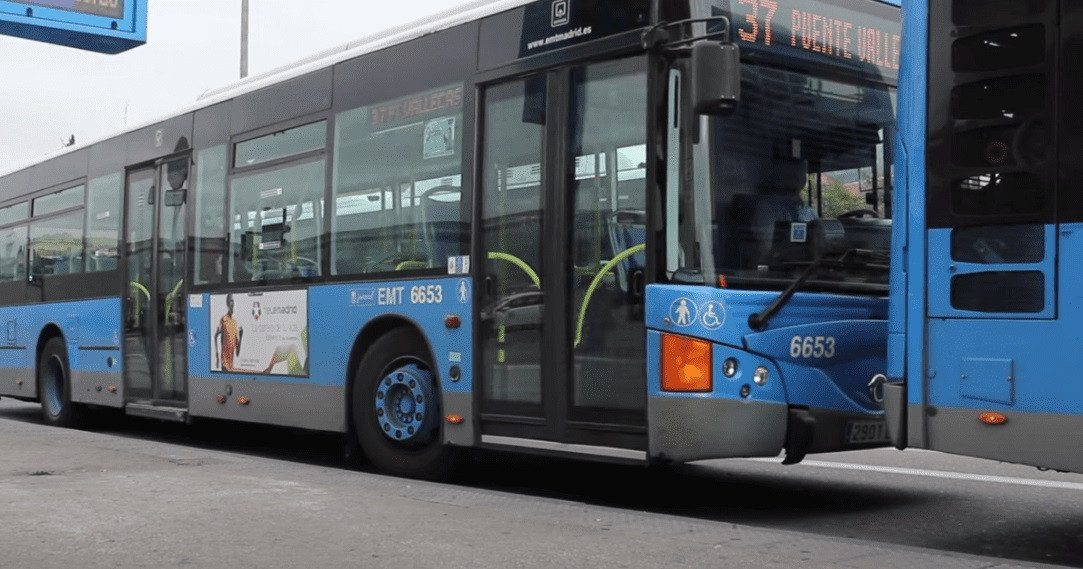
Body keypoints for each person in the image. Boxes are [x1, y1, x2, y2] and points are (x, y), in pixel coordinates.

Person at [747, 158, 815, 265]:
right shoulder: (767, 208)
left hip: (807, 271)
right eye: (792, 174)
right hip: (775, 273)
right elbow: (769, 251)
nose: (800, 178)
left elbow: (820, 249)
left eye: (802, 173)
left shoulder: (810, 212)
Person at [213, 293, 243, 371]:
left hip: (231, 366)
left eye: (233, 301)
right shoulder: (223, 319)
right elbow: (216, 335)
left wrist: (241, 336)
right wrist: (216, 354)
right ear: (227, 303)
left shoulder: (234, 323)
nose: (232, 304)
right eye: (231, 301)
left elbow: (237, 353)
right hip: (225, 364)